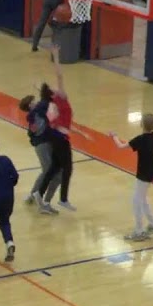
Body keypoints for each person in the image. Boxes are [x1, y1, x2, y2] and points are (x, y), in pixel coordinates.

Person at [30, 46, 91, 213]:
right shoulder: (61, 99)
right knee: (67, 168)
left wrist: (81, 133)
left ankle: (38, 194)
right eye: (55, 89)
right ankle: (63, 199)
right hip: (60, 138)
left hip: (57, 136)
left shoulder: (52, 103)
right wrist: (56, 56)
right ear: (54, 94)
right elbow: (60, 75)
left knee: (55, 167)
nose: (58, 88)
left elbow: (66, 124)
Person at [110, 113, 153, 241]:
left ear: (142, 124)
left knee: (136, 201)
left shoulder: (141, 139)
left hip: (143, 173)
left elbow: (120, 146)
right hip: (152, 172)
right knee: (142, 198)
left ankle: (139, 231)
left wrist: (114, 136)